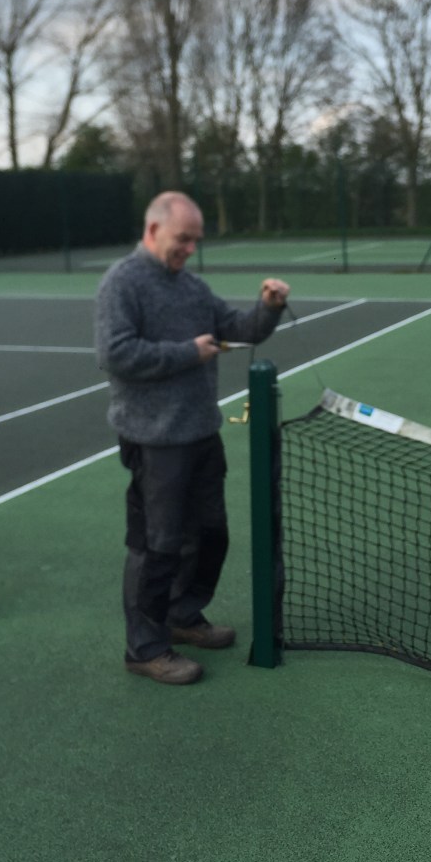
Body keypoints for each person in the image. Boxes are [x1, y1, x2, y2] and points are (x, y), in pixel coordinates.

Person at [95, 191, 290, 686]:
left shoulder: (192, 287)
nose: (190, 249)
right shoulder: (122, 282)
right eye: (183, 239)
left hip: (201, 431)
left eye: (195, 240)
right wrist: (188, 353)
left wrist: (268, 308)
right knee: (157, 546)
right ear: (153, 229)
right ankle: (144, 648)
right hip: (154, 439)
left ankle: (182, 616)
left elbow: (239, 328)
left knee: (209, 535)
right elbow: (115, 354)